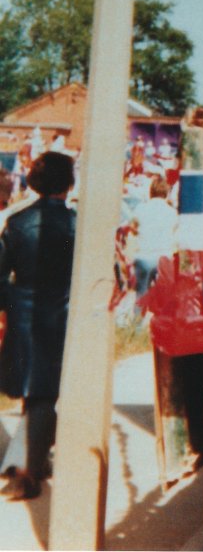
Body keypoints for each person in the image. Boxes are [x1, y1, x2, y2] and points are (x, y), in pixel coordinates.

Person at [0, 152, 76, 500]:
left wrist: (9, 303)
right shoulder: (77, 224)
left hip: (22, 310)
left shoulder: (17, 221)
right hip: (59, 312)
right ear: (69, 183)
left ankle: (35, 458)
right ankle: (26, 470)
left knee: (33, 389)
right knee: (44, 391)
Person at [129, 175, 178, 300]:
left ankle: (137, 317)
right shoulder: (171, 212)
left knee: (141, 296)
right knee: (163, 300)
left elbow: (133, 227)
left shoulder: (141, 208)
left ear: (151, 192)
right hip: (163, 258)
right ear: (166, 193)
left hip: (144, 256)